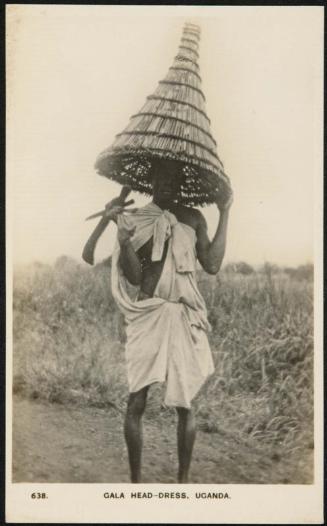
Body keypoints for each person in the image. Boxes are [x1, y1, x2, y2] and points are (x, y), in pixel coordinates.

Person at [82, 159, 233, 483]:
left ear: (182, 183)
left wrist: (225, 212)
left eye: (173, 178)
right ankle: (136, 483)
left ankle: (183, 483)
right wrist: (120, 237)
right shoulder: (136, 219)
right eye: (160, 176)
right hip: (149, 313)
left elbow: (213, 264)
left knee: (185, 403)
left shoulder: (193, 218)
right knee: (137, 397)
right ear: (150, 180)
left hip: (183, 313)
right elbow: (135, 277)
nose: (166, 184)